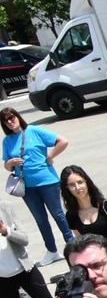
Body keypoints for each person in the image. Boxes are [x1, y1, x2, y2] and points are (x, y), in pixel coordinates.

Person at [1, 106, 71, 265]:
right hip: (27, 187)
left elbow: (62, 141)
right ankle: (52, 251)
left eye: (12, 117)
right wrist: (10, 163)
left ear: (18, 116)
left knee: (58, 215)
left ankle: (72, 244)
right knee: (41, 220)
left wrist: (50, 157)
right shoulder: (7, 141)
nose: (10, 122)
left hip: (47, 181)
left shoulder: (34, 131)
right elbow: (7, 165)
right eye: (6, 121)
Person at [0, 199, 57, 298]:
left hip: (25, 269)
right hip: (2, 280)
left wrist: (6, 230)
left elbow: (24, 239)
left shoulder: (5, 207)